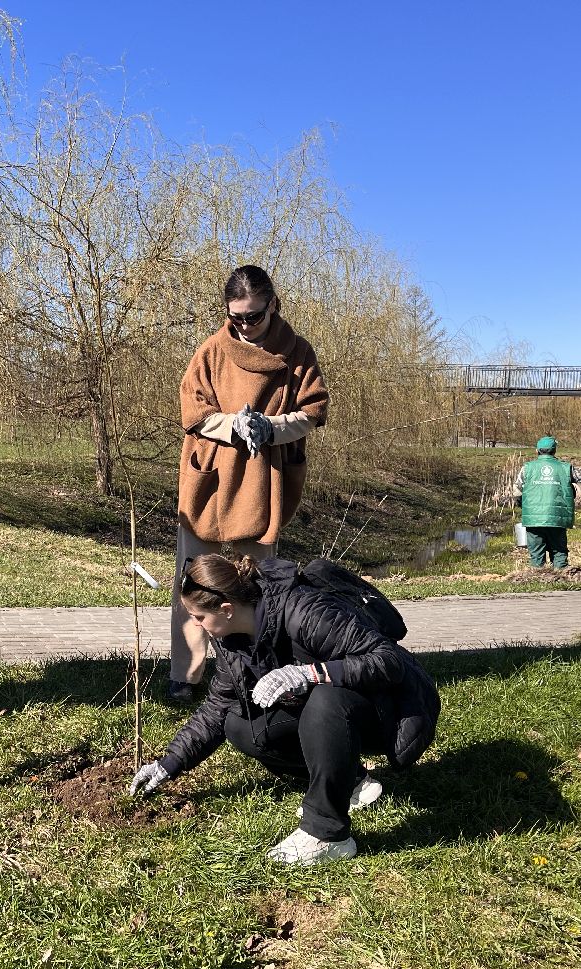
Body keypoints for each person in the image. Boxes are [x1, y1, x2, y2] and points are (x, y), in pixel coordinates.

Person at [131, 554, 439, 865]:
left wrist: (312, 673)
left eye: (198, 617)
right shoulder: (229, 638)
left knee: (324, 699)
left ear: (226, 609)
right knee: (242, 727)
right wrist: (169, 764)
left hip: (393, 710)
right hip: (337, 714)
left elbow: (387, 661)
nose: (195, 624)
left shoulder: (305, 611)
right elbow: (219, 706)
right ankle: (351, 782)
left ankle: (328, 835)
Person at [168, 266, 329, 704]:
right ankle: (186, 674)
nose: (243, 324)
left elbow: (312, 411)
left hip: (262, 478)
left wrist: (270, 427)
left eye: (253, 316)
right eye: (235, 315)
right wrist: (233, 426)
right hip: (210, 478)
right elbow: (193, 412)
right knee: (193, 579)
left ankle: (254, 674)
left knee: (257, 582)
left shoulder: (297, 352)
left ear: (274, 305)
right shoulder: (212, 351)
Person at [513, 435, 576, 568]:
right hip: (558, 517)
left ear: (537, 451)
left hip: (533, 518)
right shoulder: (566, 468)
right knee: (559, 550)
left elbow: (517, 491)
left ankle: (538, 576)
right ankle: (561, 576)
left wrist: (521, 504)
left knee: (536, 552)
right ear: (555, 451)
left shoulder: (527, 468)